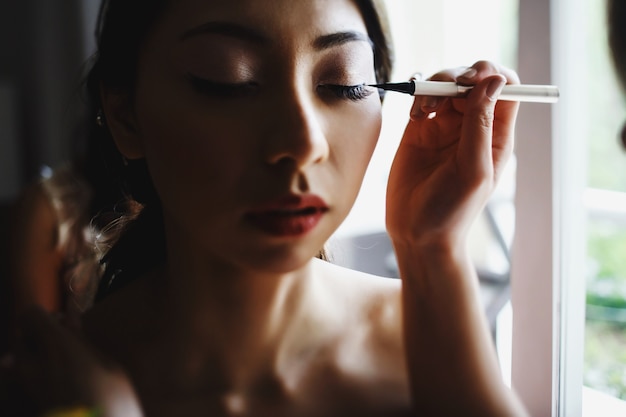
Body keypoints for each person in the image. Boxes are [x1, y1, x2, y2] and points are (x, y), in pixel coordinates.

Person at [2, 0, 529, 415]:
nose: (303, 141)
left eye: (342, 84)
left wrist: (432, 246)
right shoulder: (52, 390)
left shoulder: (434, 338)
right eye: (227, 82)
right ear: (125, 116)